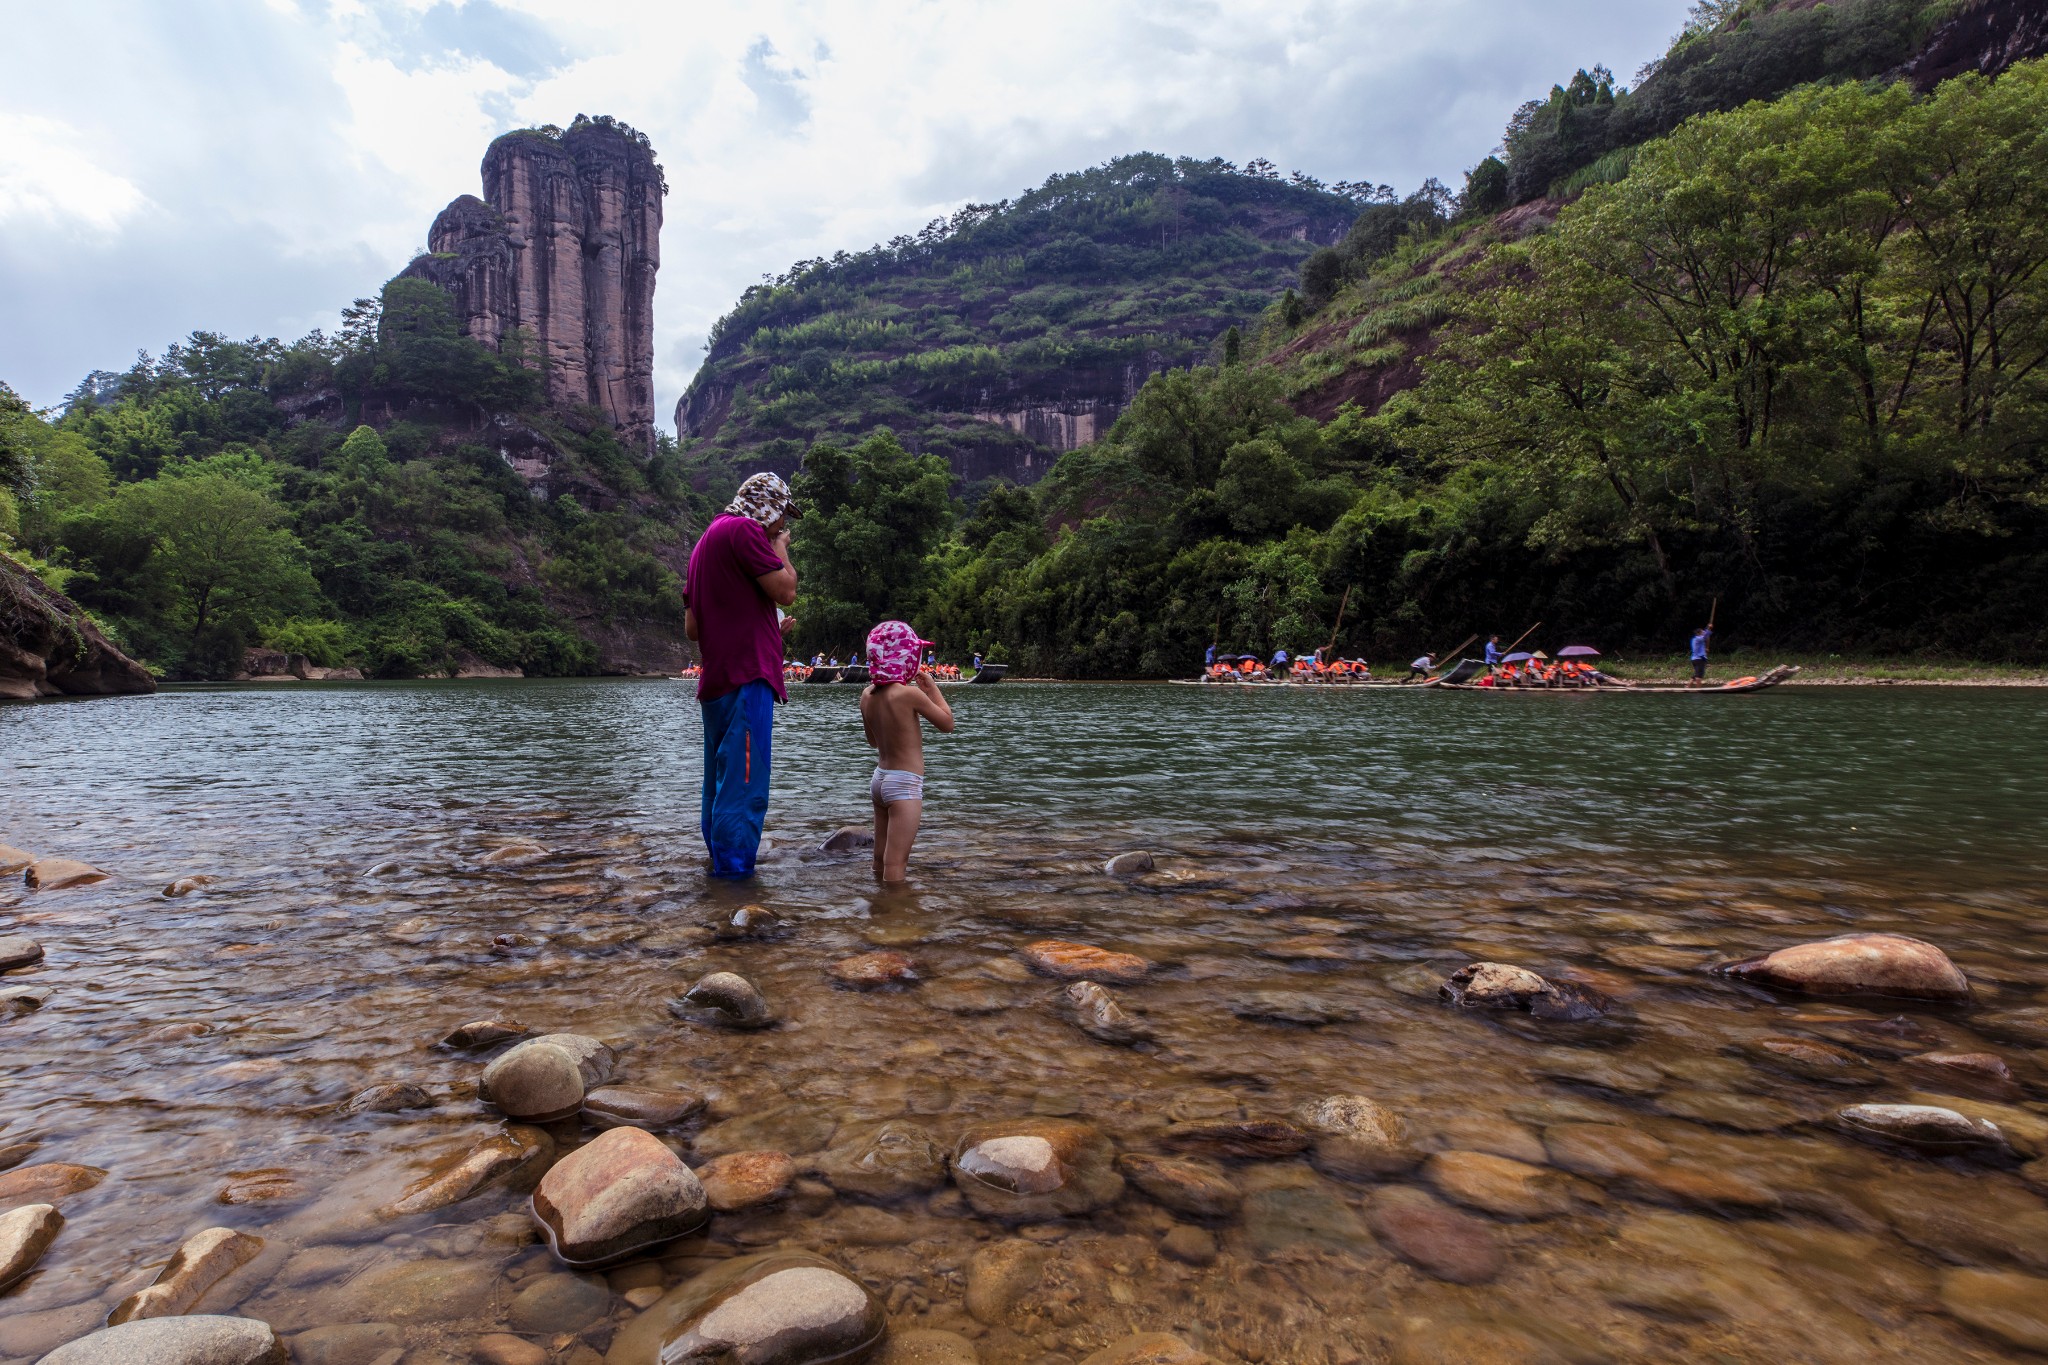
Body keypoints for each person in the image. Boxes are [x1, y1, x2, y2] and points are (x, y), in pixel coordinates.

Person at [684, 472, 798, 878]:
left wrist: (764, 625)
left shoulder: (704, 543)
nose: (783, 527)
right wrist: (780, 549)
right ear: (769, 509)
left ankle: (718, 868)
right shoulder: (747, 531)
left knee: (718, 781)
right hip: (747, 676)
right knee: (745, 784)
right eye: (783, 518)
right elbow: (785, 590)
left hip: (716, 681)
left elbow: (693, 629)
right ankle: (734, 882)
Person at [860, 620, 956, 883]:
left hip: (879, 780)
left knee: (879, 857)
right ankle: (896, 917)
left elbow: (873, 742)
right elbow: (947, 724)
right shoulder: (908, 694)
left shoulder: (867, 695)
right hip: (904, 784)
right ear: (907, 657)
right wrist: (933, 690)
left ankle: (876, 908)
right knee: (897, 862)